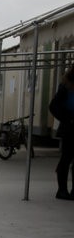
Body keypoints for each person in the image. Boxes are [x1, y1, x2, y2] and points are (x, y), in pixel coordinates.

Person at [49, 65, 74, 200]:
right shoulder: (65, 87)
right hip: (69, 129)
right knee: (66, 159)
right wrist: (67, 118)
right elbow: (53, 106)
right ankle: (62, 190)